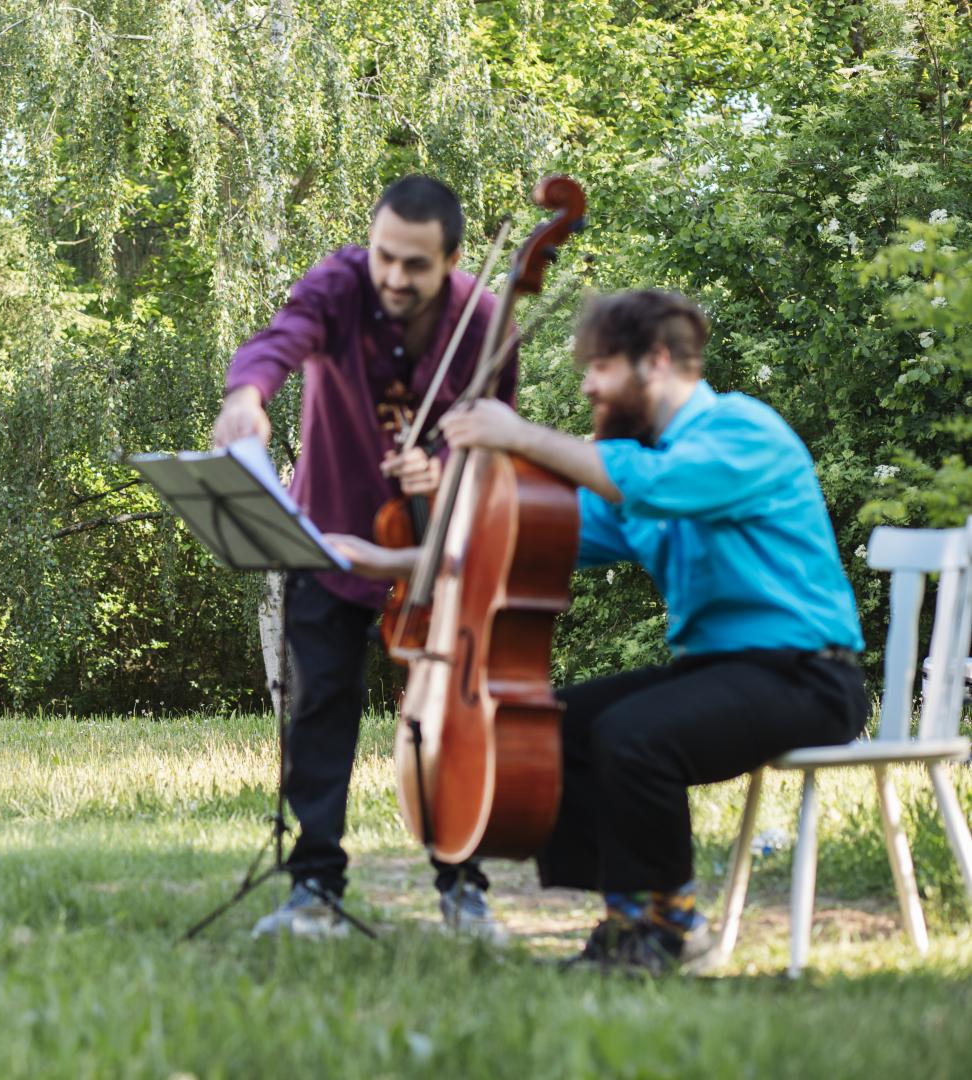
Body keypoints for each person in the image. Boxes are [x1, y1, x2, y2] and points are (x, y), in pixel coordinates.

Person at [329, 289, 868, 972]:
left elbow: (655, 484)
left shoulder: (741, 432)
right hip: (721, 672)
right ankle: (628, 916)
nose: (586, 384)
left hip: (808, 677)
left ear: (658, 362)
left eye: (600, 367)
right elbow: (515, 541)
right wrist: (401, 557)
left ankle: (670, 929)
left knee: (633, 735)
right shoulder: (637, 466)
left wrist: (520, 435)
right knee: (556, 725)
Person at [213, 174, 518, 940]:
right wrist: (247, 396)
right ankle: (314, 887)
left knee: (452, 715)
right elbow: (277, 344)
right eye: (385, 256)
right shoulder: (340, 281)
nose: (393, 277)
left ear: (450, 260)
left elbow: (498, 438)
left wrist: (445, 470)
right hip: (333, 532)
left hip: (436, 546)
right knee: (319, 708)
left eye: (414, 265)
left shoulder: (485, 322)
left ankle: (463, 884)